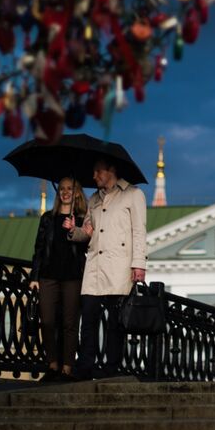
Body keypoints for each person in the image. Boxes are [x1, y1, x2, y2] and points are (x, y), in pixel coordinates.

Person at [75, 155, 147, 379]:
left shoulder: (133, 194)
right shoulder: (94, 199)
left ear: (111, 171)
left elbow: (139, 230)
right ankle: (86, 365)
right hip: (95, 266)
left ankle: (110, 367)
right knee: (88, 318)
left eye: (98, 171)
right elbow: (86, 233)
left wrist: (139, 264)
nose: (94, 176)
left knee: (115, 322)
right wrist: (74, 230)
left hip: (119, 266)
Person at [27, 175, 88, 382]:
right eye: (62, 188)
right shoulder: (48, 218)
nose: (65, 192)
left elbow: (86, 247)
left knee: (70, 323)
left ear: (76, 192)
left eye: (70, 188)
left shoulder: (82, 218)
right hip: (48, 276)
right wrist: (34, 276)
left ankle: (67, 368)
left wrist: (74, 228)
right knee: (48, 321)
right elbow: (39, 248)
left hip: (72, 276)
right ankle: (52, 364)